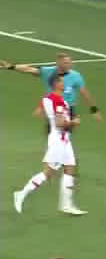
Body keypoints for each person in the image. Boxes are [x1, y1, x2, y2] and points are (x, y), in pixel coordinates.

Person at [12, 73, 86, 216]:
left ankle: (66, 205)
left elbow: (44, 114)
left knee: (70, 168)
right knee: (48, 172)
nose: (65, 84)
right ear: (56, 84)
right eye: (62, 81)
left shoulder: (51, 99)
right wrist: (74, 122)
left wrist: (63, 120)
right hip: (58, 140)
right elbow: (60, 124)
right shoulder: (57, 101)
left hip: (64, 140)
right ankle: (21, 194)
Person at [3, 51, 103, 122]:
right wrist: (12, 67)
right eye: (66, 63)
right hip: (53, 107)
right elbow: (28, 69)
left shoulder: (76, 76)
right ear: (58, 63)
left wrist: (93, 110)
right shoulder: (48, 71)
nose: (69, 65)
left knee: (63, 134)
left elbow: (84, 93)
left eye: (70, 62)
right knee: (57, 133)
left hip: (68, 108)